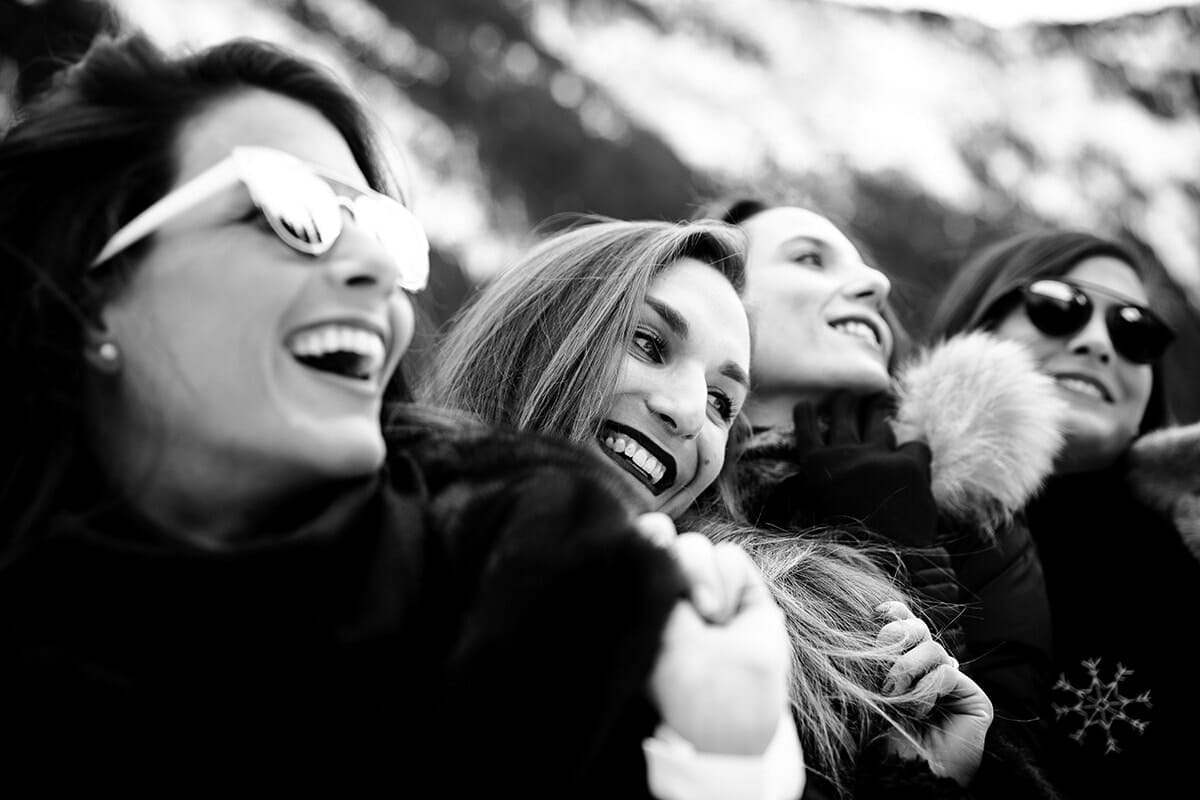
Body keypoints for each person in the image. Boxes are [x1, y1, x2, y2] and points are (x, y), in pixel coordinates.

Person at [0, 32, 806, 799]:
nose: (375, 270)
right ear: (101, 285)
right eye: (295, 212)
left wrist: (724, 760)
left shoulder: (556, 629)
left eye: (381, 232)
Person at [419, 216, 999, 798]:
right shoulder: (365, 518)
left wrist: (915, 781)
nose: (691, 412)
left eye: (724, 401)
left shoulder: (776, 632)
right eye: (649, 344)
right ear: (536, 329)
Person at [691, 197, 1066, 798]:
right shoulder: (655, 478)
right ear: (716, 299)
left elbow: (1020, 769)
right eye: (811, 259)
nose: (875, 281)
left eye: (868, 271)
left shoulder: (971, 507)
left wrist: (909, 557)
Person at [927, 228, 1200, 799]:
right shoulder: (867, 501)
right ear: (975, 328)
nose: (1099, 342)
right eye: (1057, 306)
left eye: (1135, 330)